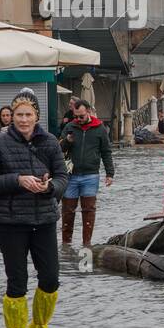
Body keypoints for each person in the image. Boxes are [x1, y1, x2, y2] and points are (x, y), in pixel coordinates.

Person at [0, 89, 68, 328]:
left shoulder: (50, 141)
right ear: (11, 117)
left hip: (44, 219)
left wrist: (51, 188)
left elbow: (64, 177)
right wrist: (17, 180)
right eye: (19, 114)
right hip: (10, 222)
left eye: (29, 114)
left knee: (51, 278)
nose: (24, 119)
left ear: (37, 116)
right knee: (17, 280)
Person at [59, 99, 115, 246]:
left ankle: (87, 244)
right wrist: (67, 141)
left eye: (81, 116)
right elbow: (58, 149)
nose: (78, 119)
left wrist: (110, 174)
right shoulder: (70, 126)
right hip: (71, 175)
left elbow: (106, 152)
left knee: (89, 210)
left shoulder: (99, 128)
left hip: (91, 175)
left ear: (88, 112)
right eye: (76, 116)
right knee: (67, 210)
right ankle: (66, 245)